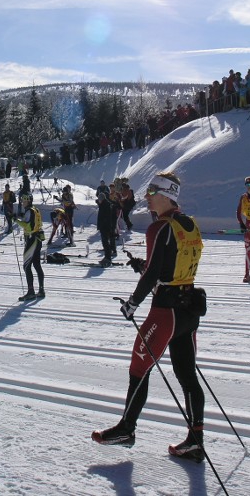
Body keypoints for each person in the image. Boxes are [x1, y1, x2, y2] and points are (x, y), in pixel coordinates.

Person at [92, 171, 207, 462]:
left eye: (152, 192)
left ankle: (126, 429)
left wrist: (132, 303)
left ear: (167, 196)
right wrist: (143, 265)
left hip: (164, 312)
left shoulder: (158, 228)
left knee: (138, 369)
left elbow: (156, 274)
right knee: (187, 377)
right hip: (188, 311)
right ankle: (195, 440)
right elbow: (168, 266)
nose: (148, 197)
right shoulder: (189, 224)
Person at [15, 193, 45, 301]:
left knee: (27, 266)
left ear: (29, 201)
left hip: (32, 240)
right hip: (38, 239)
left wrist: (15, 220)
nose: (23, 202)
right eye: (22, 200)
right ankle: (41, 290)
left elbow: (27, 225)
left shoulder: (29, 211)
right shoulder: (36, 210)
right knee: (37, 265)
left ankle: (31, 291)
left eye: (24, 200)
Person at [96, 192, 118, 267]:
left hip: (105, 227)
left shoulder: (106, 205)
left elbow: (106, 217)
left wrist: (103, 225)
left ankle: (108, 257)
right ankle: (108, 255)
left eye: (99, 199)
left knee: (105, 243)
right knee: (106, 242)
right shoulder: (105, 204)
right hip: (106, 226)